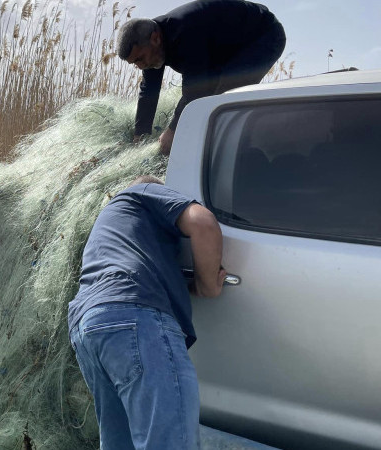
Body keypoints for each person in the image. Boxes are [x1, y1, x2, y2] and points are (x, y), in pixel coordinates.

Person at [68, 175, 226, 449]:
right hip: (132, 317)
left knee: (121, 443)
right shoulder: (142, 192)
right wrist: (207, 285)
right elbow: (203, 223)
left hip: (87, 327)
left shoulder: (113, 225)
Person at [117, 0, 286, 155]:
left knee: (225, 95)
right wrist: (140, 136)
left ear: (155, 39)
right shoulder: (150, 44)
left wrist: (172, 131)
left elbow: (196, 90)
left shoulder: (186, 31)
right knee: (212, 97)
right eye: (134, 63)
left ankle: (241, 152)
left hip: (264, 35)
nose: (139, 66)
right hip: (224, 49)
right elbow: (149, 93)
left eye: (139, 59)